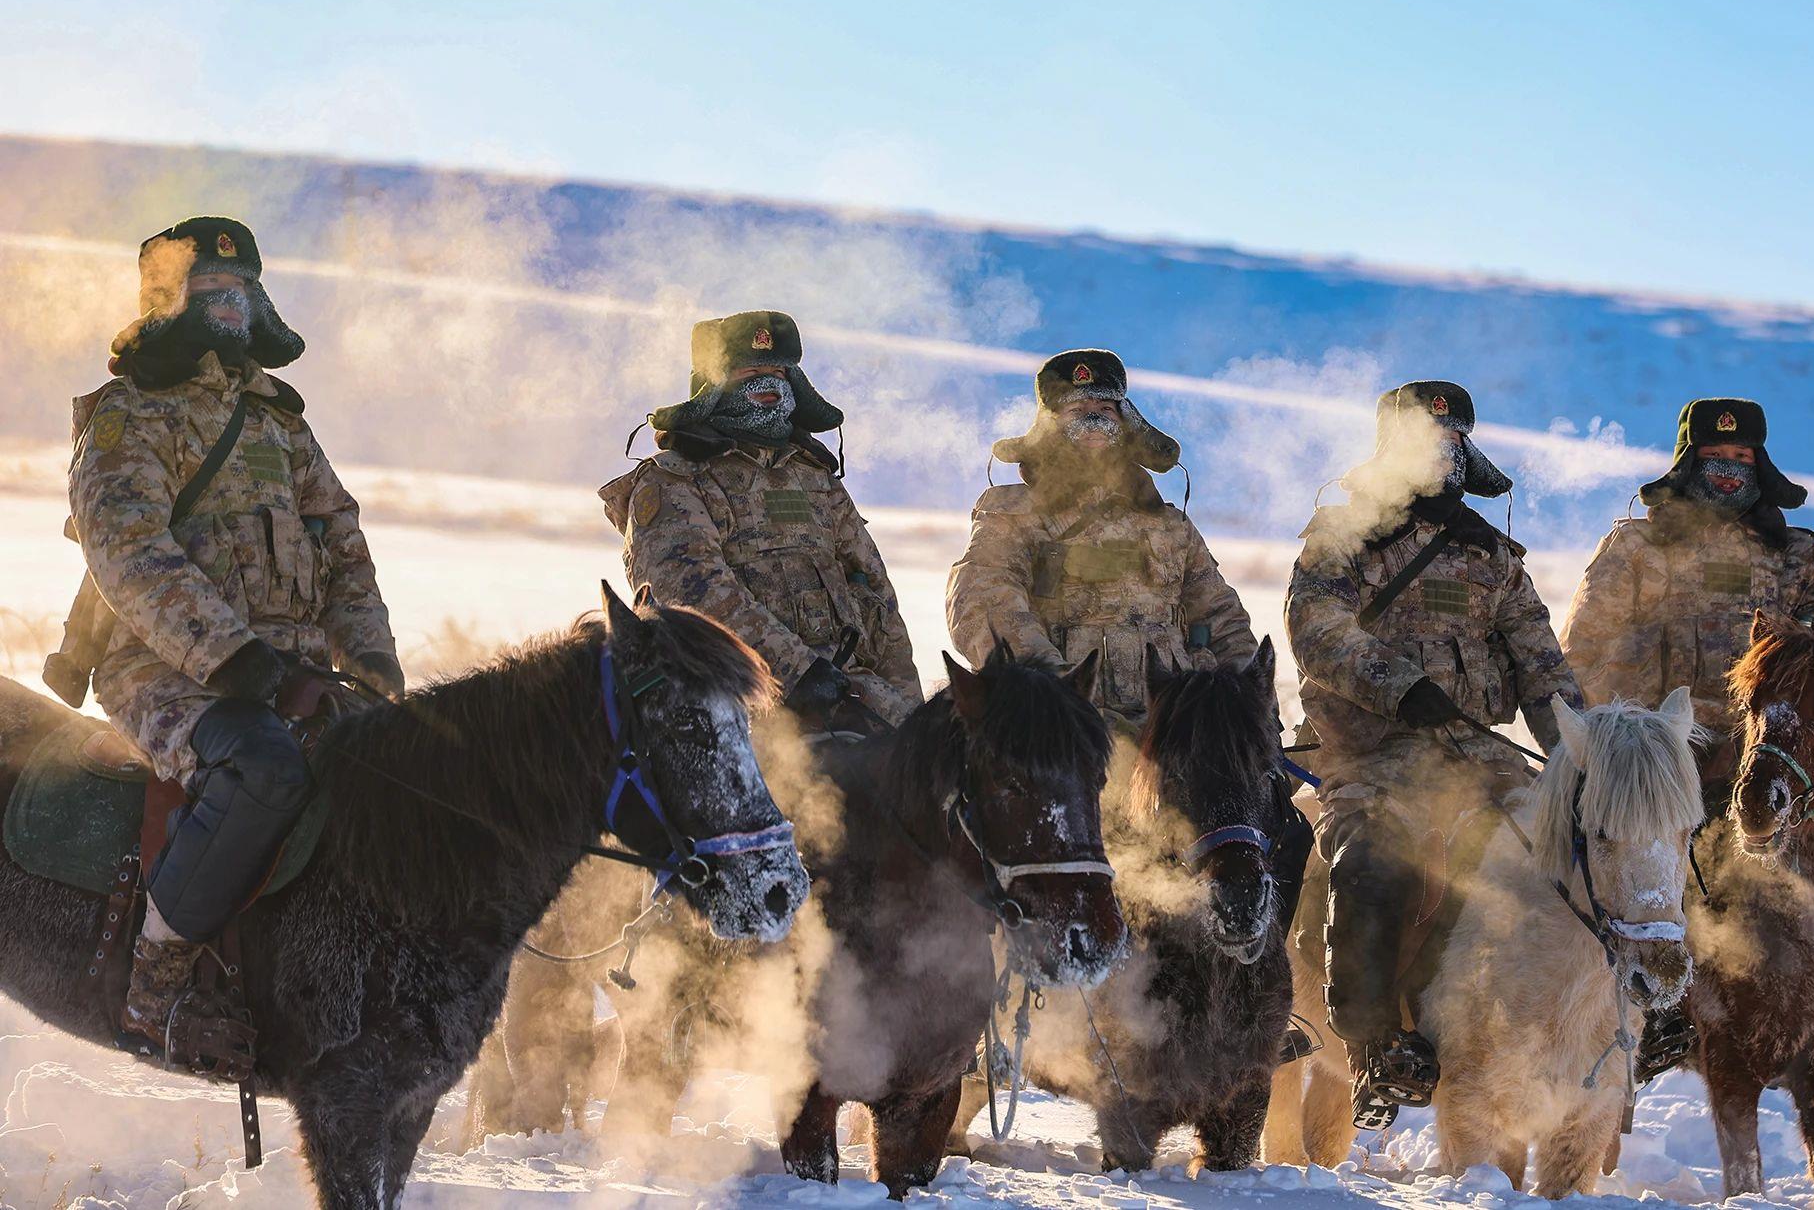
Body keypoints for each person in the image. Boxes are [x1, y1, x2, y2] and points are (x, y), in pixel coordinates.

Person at [65, 216, 399, 1074]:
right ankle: (156, 986)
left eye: (238, 287)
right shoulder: (127, 418)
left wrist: (372, 668)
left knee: (395, 768)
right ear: (167, 303)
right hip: (166, 671)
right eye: (206, 289)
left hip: (293, 668)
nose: (227, 300)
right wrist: (247, 668)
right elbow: (129, 553)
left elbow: (343, 544)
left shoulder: (280, 423)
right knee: (263, 766)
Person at [1560, 397, 1814, 1076]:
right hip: (1663, 770)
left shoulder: (1798, 556)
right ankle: (1656, 1023)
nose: (1729, 469)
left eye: (1742, 457)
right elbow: (1585, 651)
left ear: (1761, 463)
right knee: (1655, 897)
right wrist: (1633, 744)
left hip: (1773, 772)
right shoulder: (1635, 549)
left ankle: (1809, 1017)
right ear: (1688, 461)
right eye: (1715, 456)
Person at [1285, 381, 1580, 1130]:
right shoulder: (1343, 534)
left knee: (1573, 870)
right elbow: (1314, 626)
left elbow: (1543, 668)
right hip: (1372, 764)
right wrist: (1399, 686)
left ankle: (1601, 1042)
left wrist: (1583, 752)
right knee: (1371, 872)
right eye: (1423, 437)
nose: (1440, 450)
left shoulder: (1495, 559)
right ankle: (1378, 1045)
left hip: (1485, 770)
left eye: (1452, 439)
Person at [599, 310, 921, 730]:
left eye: (778, 370)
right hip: (737, 705)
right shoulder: (673, 480)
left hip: (851, 697)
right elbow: (690, 593)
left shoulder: (817, 479)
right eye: (750, 370)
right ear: (712, 386)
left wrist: (911, 713)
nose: (768, 383)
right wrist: (801, 672)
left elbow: (878, 601)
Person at [944, 348, 1256, 725]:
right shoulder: (1011, 513)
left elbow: (1222, 616)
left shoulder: (1170, 525)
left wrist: (1249, 702)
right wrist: (1057, 690)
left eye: (1106, 409)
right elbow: (982, 603)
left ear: (1127, 422)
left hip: (1173, 731)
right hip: (1062, 729)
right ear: (1050, 426)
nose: (1093, 419)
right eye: (1076, 411)